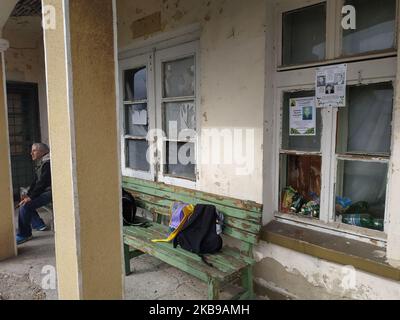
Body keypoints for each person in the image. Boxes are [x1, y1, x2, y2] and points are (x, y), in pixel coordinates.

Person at [16, 143, 52, 245]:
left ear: (43, 152)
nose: (31, 153)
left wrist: (31, 197)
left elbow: (43, 183)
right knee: (24, 200)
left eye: (34, 150)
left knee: (25, 206)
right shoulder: (42, 162)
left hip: (50, 192)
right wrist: (28, 195)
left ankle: (24, 234)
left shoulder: (48, 163)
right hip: (44, 190)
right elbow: (36, 181)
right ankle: (38, 224)